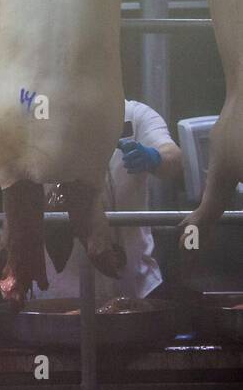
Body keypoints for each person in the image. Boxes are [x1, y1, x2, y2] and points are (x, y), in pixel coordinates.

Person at [40, 100, 182, 300]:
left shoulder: (135, 114)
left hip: (137, 285)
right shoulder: (40, 116)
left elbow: (174, 158)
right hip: (59, 293)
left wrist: (155, 157)